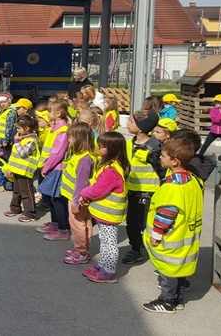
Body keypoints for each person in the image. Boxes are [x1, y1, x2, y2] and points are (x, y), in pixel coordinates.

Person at [142, 138, 203, 314]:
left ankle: (167, 301)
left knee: (168, 269)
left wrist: (156, 235)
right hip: (187, 233)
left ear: (174, 161)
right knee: (179, 267)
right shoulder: (193, 180)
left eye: (163, 155)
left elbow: (165, 214)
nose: (160, 158)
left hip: (172, 236)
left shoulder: (172, 187)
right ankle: (178, 298)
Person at [79, 131, 130, 283]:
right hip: (105, 214)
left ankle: (109, 272)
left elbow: (97, 190)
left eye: (101, 146)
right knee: (105, 241)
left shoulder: (111, 170)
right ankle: (102, 265)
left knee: (109, 244)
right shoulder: (110, 165)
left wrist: (83, 193)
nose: (98, 148)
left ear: (111, 149)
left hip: (109, 215)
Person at [122, 109, 163, 264]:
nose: (128, 123)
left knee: (146, 224)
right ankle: (135, 249)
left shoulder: (154, 147)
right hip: (132, 190)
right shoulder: (129, 143)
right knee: (131, 222)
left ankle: (152, 250)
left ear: (140, 128)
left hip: (148, 193)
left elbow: (161, 170)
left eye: (131, 121)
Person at [61, 122, 97, 265]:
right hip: (82, 198)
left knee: (78, 224)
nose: (68, 140)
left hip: (78, 198)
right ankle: (84, 249)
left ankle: (81, 252)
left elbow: (81, 183)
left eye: (70, 137)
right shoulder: (83, 155)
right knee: (85, 222)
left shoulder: (84, 159)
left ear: (79, 138)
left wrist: (75, 202)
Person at [36, 100, 71, 241]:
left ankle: (63, 229)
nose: (48, 114)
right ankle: (55, 223)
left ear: (58, 113)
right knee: (50, 198)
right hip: (50, 167)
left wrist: (46, 166)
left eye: (50, 111)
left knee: (57, 199)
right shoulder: (55, 127)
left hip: (56, 168)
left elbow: (57, 153)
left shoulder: (62, 130)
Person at [2, 115, 40, 222]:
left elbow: (23, 153)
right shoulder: (22, 138)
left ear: (27, 128)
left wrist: (17, 142)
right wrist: (9, 168)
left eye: (19, 128)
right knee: (17, 191)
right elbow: (14, 156)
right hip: (17, 170)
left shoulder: (31, 140)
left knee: (26, 192)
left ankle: (30, 213)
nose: (17, 130)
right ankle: (15, 208)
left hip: (25, 171)